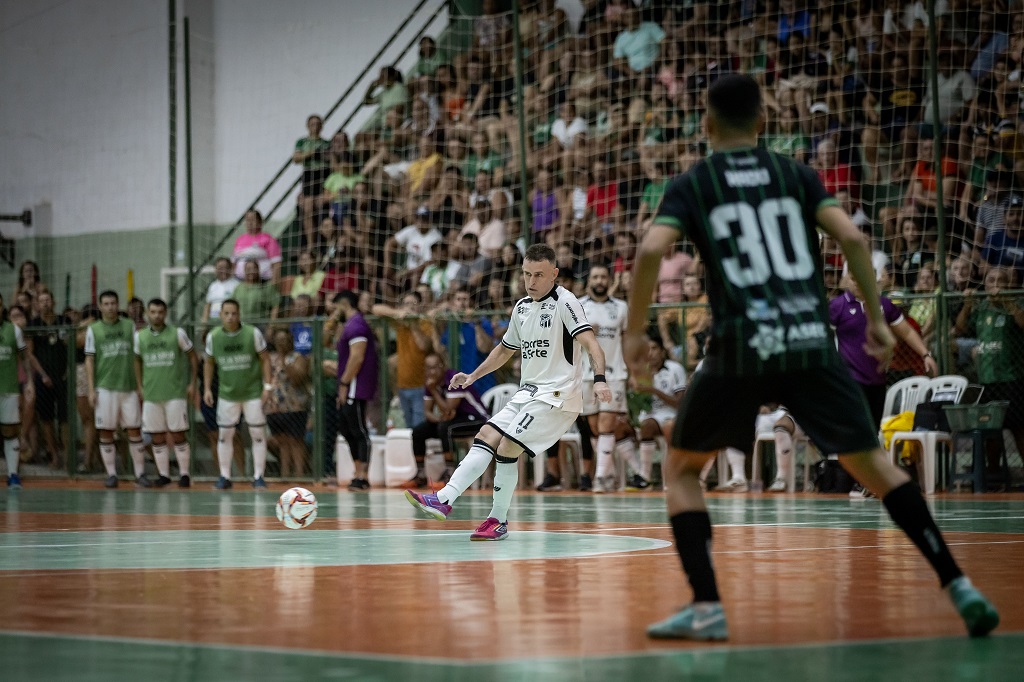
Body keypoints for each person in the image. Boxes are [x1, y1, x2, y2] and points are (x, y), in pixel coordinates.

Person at [623, 74, 998, 641]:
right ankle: (958, 584)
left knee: (681, 468)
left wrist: (633, 334)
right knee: (874, 465)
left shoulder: (695, 182)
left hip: (741, 347)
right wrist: (875, 317)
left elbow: (652, 249)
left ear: (705, 123)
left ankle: (707, 606)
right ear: (763, 122)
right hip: (807, 340)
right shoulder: (794, 174)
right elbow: (851, 238)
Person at [405, 243, 611, 541]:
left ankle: (496, 520)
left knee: (507, 447)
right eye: (526, 274)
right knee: (486, 437)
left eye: (539, 275)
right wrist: (472, 376)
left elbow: (592, 344)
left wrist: (600, 379)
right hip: (527, 395)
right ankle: (446, 500)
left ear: (554, 274)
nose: (531, 281)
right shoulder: (522, 307)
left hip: (556, 397)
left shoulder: (567, 303)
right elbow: (504, 350)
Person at [579, 264, 644, 492]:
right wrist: (585, 333)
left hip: (614, 373)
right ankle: (629, 473)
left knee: (607, 423)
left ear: (609, 280)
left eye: (603, 277)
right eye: (595, 276)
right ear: (589, 281)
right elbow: (566, 341)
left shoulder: (621, 307)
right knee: (596, 428)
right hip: (585, 374)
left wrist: (633, 372)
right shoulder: (578, 306)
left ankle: (600, 479)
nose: (599, 280)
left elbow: (627, 342)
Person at [203, 299, 272, 489]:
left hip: (252, 393)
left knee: (257, 433)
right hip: (227, 394)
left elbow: (265, 359)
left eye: (234, 313)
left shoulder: (253, 333)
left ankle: (259, 476)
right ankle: (224, 476)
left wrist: (267, 387)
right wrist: (207, 388)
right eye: (226, 313)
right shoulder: (213, 336)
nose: (230, 317)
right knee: (225, 434)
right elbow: (208, 363)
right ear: (220, 315)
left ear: (239, 314)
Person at [85, 290, 150, 488]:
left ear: (118, 304)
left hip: (128, 387)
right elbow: (89, 359)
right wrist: (90, 388)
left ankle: (140, 474)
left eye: (114, 303)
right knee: (106, 431)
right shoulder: (93, 330)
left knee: (134, 431)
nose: (111, 307)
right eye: (106, 303)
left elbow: (137, 356)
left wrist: (140, 385)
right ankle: (112, 474)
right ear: (100, 306)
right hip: (105, 387)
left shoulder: (129, 326)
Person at [133, 298, 198, 487]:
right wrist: (139, 385)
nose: (156, 315)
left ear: (166, 313)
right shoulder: (140, 336)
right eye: (153, 312)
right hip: (152, 394)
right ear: (147, 312)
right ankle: (164, 475)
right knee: (157, 436)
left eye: (160, 312)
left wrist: (192, 383)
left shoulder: (177, 333)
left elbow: (193, 357)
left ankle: (185, 475)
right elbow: (136, 360)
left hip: (175, 393)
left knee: (178, 434)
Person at [408, 352, 489, 488]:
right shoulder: (431, 383)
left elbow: (448, 410)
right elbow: (427, 412)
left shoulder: (453, 378)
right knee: (418, 431)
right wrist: (440, 418)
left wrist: (433, 391)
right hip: (454, 420)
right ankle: (420, 474)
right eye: (427, 368)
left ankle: (450, 473)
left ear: (442, 367)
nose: (431, 372)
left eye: (434, 367)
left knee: (444, 428)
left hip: (477, 419)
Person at [326, 290, 378, 491]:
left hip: (356, 384)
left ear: (343, 304)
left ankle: (364, 475)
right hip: (350, 383)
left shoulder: (356, 325)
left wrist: (345, 383)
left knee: (358, 429)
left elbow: (357, 357)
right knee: (346, 428)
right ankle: (357, 472)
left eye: (334, 305)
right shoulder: (349, 325)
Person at [371, 291, 434, 429]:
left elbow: (423, 346)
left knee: (419, 428)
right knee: (407, 428)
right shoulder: (400, 323)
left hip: (421, 387)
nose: (410, 307)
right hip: (402, 387)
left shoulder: (425, 323)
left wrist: (413, 324)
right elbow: (376, 309)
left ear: (420, 306)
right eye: (406, 304)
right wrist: (396, 313)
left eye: (413, 304)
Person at [633, 334, 686, 487]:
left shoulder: (674, 369)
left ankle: (658, 476)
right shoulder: (641, 372)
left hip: (671, 414)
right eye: (647, 349)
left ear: (662, 351)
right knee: (633, 427)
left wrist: (654, 391)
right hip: (650, 415)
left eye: (654, 348)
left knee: (659, 427)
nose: (650, 353)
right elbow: (638, 405)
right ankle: (642, 475)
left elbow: (679, 403)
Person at [27, 290, 68, 470]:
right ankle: (54, 455)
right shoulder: (33, 324)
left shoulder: (63, 321)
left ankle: (68, 457)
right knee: (46, 419)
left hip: (63, 377)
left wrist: (68, 371)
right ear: (36, 304)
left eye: (47, 299)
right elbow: (29, 353)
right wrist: (42, 375)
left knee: (65, 419)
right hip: (43, 379)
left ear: (54, 301)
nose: (45, 303)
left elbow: (70, 346)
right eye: (41, 300)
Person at [265, 328, 311, 478]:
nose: (281, 344)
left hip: (295, 407)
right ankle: (284, 474)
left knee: (296, 441)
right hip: (275, 407)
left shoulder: (297, 357)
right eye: (278, 341)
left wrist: (285, 361)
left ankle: (299, 474)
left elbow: (298, 379)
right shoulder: (269, 358)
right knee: (282, 442)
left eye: (284, 340)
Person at [0, 294, 31, 488]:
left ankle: (12, 474)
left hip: (8, 389)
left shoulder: (14, 330)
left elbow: (25, 358)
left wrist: (28, 382)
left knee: (10, 430)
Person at [232, 209, 282, 284]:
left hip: (262, 282)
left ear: (260, 222)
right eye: (247, 220)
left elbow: (276, 263)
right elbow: (233, 262)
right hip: (241, 282)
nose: (250, 223)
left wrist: (274, 283)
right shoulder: (240, 240)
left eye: (253, 220)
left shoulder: (268, 239)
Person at [202, 257, 239, 324]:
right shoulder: (213, 286)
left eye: (226, 268)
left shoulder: (236, 285)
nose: (223, 271)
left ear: (230, 269)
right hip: (213, 321)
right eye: (220, 268)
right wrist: (204, 322)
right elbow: (208, 305)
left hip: (229, 321)